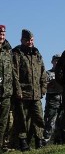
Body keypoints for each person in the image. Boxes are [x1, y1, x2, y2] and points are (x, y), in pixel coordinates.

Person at [12, 29, 47, 151]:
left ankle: (39, 141)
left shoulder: (37, 54)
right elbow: (14, 74)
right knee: (22, 119)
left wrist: (43, 89)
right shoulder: (17, 53)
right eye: (27, 40)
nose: (30, 42)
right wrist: (18, 90)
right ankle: (23, 143)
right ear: (22, 40)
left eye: (31, 40)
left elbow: (43, 72)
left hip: (36, 93)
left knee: (39, 118)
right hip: (23, 92)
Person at [43, 54, 63, 144]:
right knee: (50, 121)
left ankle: (59, 141)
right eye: (56, 60)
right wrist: (50, 84)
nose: (57, 62)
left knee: (61, 121)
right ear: (52, 62)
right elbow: (43, 86)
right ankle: (46, 141)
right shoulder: (47, 73)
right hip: (52, 99)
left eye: (59, 60)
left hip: (63, 98)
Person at [0, 25, 14, 153]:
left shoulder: (9, 51)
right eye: (0, 34)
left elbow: (13, 72)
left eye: (3, 34)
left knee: (5, 121)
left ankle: (3, 146)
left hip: (6, 91)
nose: (2, 36)